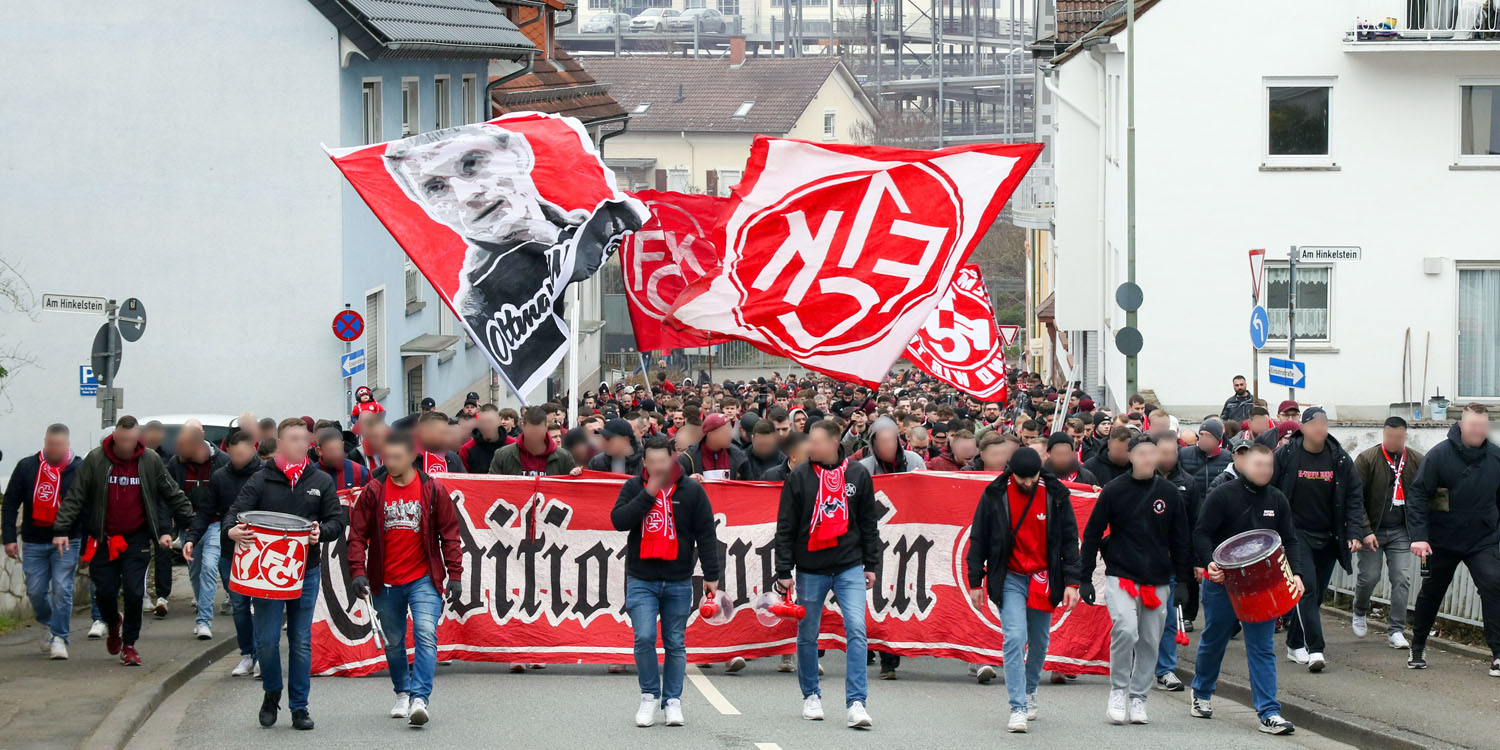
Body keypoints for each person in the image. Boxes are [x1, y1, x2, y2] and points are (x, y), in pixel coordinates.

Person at [227, 418, 346, 730]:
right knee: (266, 641)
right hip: (267, 574)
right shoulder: (260, 480)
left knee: (301, 640)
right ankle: (271, 692)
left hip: (306, 572)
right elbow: (234, 514)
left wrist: (323, 532)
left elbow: (336, 520)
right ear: (279, 444)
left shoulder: (320, 480)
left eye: (303, 439)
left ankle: (299, 707)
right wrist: (232, 531)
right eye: (292, 438)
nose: (299, 444)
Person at [52, 416, 194, 667]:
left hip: (136, 537)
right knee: (104, 593)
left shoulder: (149, 460)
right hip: (104, 538)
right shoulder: (96, 460)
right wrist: (62, 528)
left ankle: (129, 645)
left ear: (137, 439)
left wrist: (191, 523)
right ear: (114, 437)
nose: (126, 446)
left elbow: (171, 491)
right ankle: (113, 623)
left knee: (134, 592)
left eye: (131, 441)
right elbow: (76, 495)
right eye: (122, 440)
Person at [347, 431, 463, 727]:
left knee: (426, 634)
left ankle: (420, 698)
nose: (391, 462)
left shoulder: (433, 490)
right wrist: (358, 572)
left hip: (424, 578)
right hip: (385, 581)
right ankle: (402, 690)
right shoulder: (373, 491)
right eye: (387, 457)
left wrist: (455, 574)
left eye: (397, 457)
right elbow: (357, 536)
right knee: (394, 641)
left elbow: (449, 534)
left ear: (413, 457)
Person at [964, 447, 1081, 734]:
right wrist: (975, 582)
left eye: (1032, 478)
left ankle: (1030, 690)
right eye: (1022, 478)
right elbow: (978, 538)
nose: (1028, 483)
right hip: (1010, 576)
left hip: (1044, 576)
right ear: (1010, 473)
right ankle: (1017, 706)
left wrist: (1072, 583)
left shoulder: (1056, 495)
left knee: (1040, 641)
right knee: (1014, 637)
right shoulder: (994, 495)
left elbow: (1069, 541)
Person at [774, 420, 880, 730]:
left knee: (857, 630)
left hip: (849, 565)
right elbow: (786, 526)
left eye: (817, 441)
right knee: (808, 634)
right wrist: (784, 570)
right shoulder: (799, 477)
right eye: (810, 441)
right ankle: (811, 695)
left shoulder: (858, 474)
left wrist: (870, 564)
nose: (811, 447)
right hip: (810, 568)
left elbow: (869, 523)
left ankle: (857, 702)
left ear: (835, 442)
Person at [1191, 443, 1303, 735]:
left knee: (1263, 646)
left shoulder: (1277, 499)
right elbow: (1201, 532)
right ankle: (1201, 692)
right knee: (1215, 639)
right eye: (1258, 465)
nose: (1264, 471)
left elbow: (1289, 539)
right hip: (1223, 582)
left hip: (1261, 585)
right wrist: (1208, 563)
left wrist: (1297, 573)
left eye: (1268, 466)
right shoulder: (1222, 495)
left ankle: (1269, 712)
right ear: (1242, 464)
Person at [610, 436, 722, 727]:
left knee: (675, 642)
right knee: (644, 637)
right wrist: (648, 493)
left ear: (673, 460)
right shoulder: (634, 487)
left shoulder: (691, 490)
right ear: (644, 463)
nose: (658, 467)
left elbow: (706, 534)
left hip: (678, 579)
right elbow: (619, 520)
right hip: (642, 578)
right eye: (653, 462)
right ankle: (648, 695)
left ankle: (673, 700)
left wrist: (712, 575)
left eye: (664, 461)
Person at [1079, 433, 1191, 725]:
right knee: (1126, 630)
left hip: (1157, 578)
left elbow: (1181, 540)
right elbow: (1092, 533)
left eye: (1151, 454)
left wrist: (1182, 582)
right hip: (1121, 573)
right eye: (1140, 454)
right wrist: (1085, 577)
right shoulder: (1114, 490)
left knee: (1150, 640)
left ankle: (1139, 696)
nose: (1146, 459)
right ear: (1130, 456)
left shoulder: (1169, 493)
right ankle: (1118, 689)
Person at [1405, 403, 1500, 674]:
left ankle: (1497, 654)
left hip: (1482, 539)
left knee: (1494, 585)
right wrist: (1420, 537)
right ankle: (1418, 646)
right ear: (1461, 425)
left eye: (1483, 427)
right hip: (1441, 540)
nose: (1478, 432)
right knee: (1432, 592)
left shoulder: (1495, 457)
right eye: (1473, 426)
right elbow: (1418, 495)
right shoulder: (1438, 456)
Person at [1272, 407, 1366, 672]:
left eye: (1324, 424)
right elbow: (1271, 489)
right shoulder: (1287, 455)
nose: (1320, 429)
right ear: (1302, 428)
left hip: (1329, 535)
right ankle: (1315, 650)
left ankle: (1294, 644)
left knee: (1316, 596)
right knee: (1306, 589)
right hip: (1295, 534)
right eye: (1314, 424)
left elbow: (1354, 496)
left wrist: (1354, 532)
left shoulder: (1339, 458)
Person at [3, 423, 84, 660]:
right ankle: (50, 623)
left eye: (58, 445)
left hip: (68, 541)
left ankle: (59, 637)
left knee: (62, 588)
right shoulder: (28, 467)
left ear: (67, 445)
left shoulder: (78, 469)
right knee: (36, 591)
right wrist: (9, 537)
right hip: (34, 540)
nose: (52, 449)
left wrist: (88, 544)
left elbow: (88, 508)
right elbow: (10, 503)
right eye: (49, 443)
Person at [185, 428, 261, 677]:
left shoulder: (265, 474)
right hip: (231, 550)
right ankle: (247, 654)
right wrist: (192, 538)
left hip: (261, 550)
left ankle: (262, 654)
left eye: (242, 454)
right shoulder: (220, 477)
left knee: (260, 606)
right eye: (233, 455)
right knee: (239, 605)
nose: (237, 460)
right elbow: (207, 511)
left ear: (253, 449)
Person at [1351, 416, 1422, 649]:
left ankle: (1396, 630)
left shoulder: (1415, 460)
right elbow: (1355, 498)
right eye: (1389, 436)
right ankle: (1360, 610)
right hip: (1373, 530)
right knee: (1369, 576)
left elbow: (1424, 494)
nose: (1394, 441)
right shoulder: (1367, 459)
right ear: (1383, 435)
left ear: (1405, 436)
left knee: (1401, 578)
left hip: (1401, 530)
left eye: (1398, 437)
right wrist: (1364, 530)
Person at [166, 423, 230, 639]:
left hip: (213, 523)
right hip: (187, 526)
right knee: (195, 573)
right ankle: (202, 609)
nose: (178, 452)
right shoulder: (176, 463)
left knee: (210, 567)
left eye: (183, 447)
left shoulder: (221, 461)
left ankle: (204, 620)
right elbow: (168, 492)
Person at [1153, 430, 1200, 688]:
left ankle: (1166, 668)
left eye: (1173, 453)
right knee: (1138, 621)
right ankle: (1136, 661)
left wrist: (1194, 561)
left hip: (1172, 564)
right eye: (1164, 453)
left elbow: (1195, 525)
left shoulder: (1189, 484)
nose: (1169, 458)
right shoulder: (1140, 479)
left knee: (1169, 618)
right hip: (1140, 564)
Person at [490, 406, 576, 477]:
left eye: (539, 432)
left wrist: (576, 475)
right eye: (531, 432)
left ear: (546, 427)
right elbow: (491, 487)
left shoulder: (564, 457)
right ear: (523, 426)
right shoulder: (503, 455)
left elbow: (572, 491)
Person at [677, 413, 746, 481]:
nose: (730, 435)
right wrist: (688, 482)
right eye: (725, 432)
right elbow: (677, 486)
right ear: (710, 434)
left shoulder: (738, 457)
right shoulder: (688, 458)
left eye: (730, 431)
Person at [315, 428, 369, 495]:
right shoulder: (309, 475)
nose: (337, 454)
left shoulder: (360, 472)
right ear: (319, 451)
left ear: (343, 444)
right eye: (331, 450)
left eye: (339, 449)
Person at [459, 404, 509, 474]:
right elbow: (462, 478)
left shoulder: (513, 445)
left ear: (499, 422)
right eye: (482, 422)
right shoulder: (467, 449)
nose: (486, 426)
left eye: (490, 422)